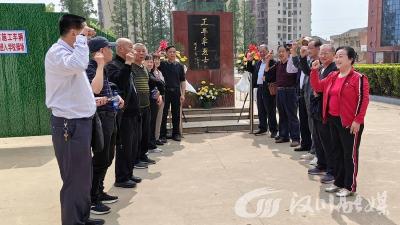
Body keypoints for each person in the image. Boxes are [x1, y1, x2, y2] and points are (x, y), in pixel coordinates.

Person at [45, 14, 104, 225]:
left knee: (83, 177)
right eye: (84, 33)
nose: (87, 38)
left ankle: (81, 217)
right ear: (73, 32)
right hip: (69, 125)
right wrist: (81, 38)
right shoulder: (57, 53)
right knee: (74, 179)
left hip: (80, 123)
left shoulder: (68, 53)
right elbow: (79, 64)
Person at [310, 46, 370, 197]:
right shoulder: (333, 76)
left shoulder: (359, 78)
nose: (337, 59)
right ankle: (338, 182)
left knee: (349, 155)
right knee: (336, 152)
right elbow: (318, 87)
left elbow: (364, 100)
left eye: (341, 56)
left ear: (350, 59)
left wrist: (358, 120)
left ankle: (349, 186)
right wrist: (314, 71)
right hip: (333, 120)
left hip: (350, 123)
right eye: (336, 56)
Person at [86, 36, 125, 215]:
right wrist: (100, 66)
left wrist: (116, 94)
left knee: (108, 157)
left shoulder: (101, 69)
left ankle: (99, 191)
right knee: (101, 158)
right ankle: (92, 199)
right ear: (101, 51)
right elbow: (95, 88)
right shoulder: (91, 67)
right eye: (109, 48)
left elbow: (107, 85)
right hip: (101, 117)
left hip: (110, 115)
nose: (111, 50)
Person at [106, 38, 142, 188]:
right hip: (124, 113)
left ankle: (128, 173)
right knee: (124, 146)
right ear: (120, 49)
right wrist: (127, 64)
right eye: (130, 47)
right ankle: (121, 178)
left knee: (132, 145)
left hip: (133, 112)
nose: (133, 50)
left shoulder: (127, 65)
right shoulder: (113, 65)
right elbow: (120, 83)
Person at [306, 44, 338, 184]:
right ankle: (322, 164)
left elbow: (322, 89)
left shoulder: (334, 69)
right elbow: (315, 86)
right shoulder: (320, 67)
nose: (323, 56)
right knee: (318, 138)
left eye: (326, 53)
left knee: (328, 141)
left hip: (326, 109)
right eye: (322, 53)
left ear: (333, 54)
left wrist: (318, 91)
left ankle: (332, 170)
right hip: (316, 108)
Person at [268, 45, 300, 147]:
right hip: (280, 91)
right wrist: (268, 60)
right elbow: (267, 73)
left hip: (290, 91)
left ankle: (295, 138)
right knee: (282, 115)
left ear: (288, 53)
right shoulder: (278, 64)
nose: (281, 54)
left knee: (292, 115)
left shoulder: (292, 63)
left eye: (283, 52)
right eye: (279, 52)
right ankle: (284, 135)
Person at [131, 43, 157, 167]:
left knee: (145, 133)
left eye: (143, 51)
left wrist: (157, 93)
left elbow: (148, 84)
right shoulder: (130, 67)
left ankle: (143, 155)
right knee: (137, 135)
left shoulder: (144, 68)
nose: (141, 53)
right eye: (138, 51)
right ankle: (136, 159)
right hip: (136, 107)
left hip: (146, 105)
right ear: (133, 52)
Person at [246, 44, 278, 137]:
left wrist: (267, 78)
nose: (262, 53)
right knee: (261, 109)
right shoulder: (259, 63)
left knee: (270, 110)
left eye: (264, 51)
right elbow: (250, 70)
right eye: (260, 51)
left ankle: (274, 130)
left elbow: (273, 75)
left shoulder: (273, 62)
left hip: (268, 88)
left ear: (268, 52)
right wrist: (249, 61)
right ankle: (262, 128)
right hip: (259, 88)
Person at [159, 46, 186, 142]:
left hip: (176, 92)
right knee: (163, 114)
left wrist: (183, 94)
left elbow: (183, 81)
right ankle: (162, 134)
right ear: (166, 53)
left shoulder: (180, 66)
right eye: (170, 52)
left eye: (174, 52)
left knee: (176, 114)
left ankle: (176, 133)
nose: (172, 54)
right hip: (165, 92)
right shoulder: (162, 64)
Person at [144, 54, 165, 153]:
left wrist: (159, 95)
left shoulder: (152, 73)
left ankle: (152, 145)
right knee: (147, 125)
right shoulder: (143, 73)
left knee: (152, 123)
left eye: (151, 62)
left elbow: (156, 87)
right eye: (147, 61)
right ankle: (146, 146)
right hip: (145, 102)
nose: (150, 64)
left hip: (154, 101)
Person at [152, 54, 166, 145]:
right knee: (154, 120)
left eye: (158, 60)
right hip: (154, 99)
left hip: (161, 98)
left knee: (159, 119)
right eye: (154, 60)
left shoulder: (159, 72)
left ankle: (156, 137)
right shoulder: (150, 72)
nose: (157, 62)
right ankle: (153, 138)